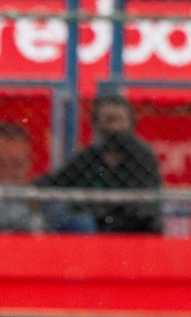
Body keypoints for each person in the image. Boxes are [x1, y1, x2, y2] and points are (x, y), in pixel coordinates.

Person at [37, 95, 162, 233]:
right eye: (109, 120)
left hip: (134, 227)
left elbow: (143, 206)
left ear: (130, 123)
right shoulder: (89, 158)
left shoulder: (142, 156)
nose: (115, 128)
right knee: (63, 213)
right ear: (97, 124)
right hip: (95, 225)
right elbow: (56, 181)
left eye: (119, 120)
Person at [0, 122, 36, 232]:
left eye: (17, 164)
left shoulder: (40, 197)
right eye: (2, 164)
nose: (9, 171)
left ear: (28, 162)